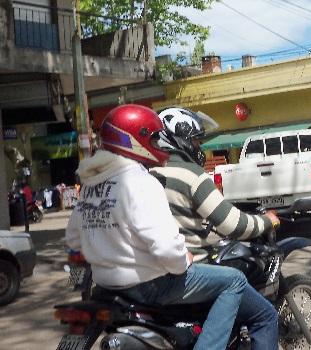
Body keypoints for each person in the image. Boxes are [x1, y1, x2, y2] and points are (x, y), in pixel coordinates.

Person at [65, 104, 275, 350]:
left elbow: (74, 242)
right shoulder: (141, 182)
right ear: (135, 140)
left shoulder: (91, 186)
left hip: (106, 288)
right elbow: (166, 248)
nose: (160, 145)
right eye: (154, 138)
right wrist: (183, 260)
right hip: (151, 286)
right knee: (235, 281)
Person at [148, 107, 280, 349]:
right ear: (180, 139)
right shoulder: (192, 175)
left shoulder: (147, 173)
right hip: (192, 273)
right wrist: (267, 221)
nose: (199, 148)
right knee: (265, 316)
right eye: (196, 141)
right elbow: (234, 225)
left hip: (153, 276)